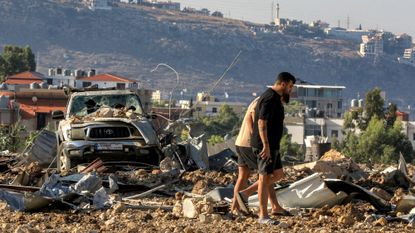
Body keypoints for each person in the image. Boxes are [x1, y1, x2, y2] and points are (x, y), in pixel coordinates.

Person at [238, 72, 296, 225]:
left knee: (278, 175)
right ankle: (263, 216)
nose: (291, 90)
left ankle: (246, 193)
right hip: (264, 146)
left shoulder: (276, 99)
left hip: (273, 146)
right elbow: (261, 122)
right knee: (264, 179)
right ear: (282, 84)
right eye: (290, 86)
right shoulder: (269, 97)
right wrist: (266, 145)